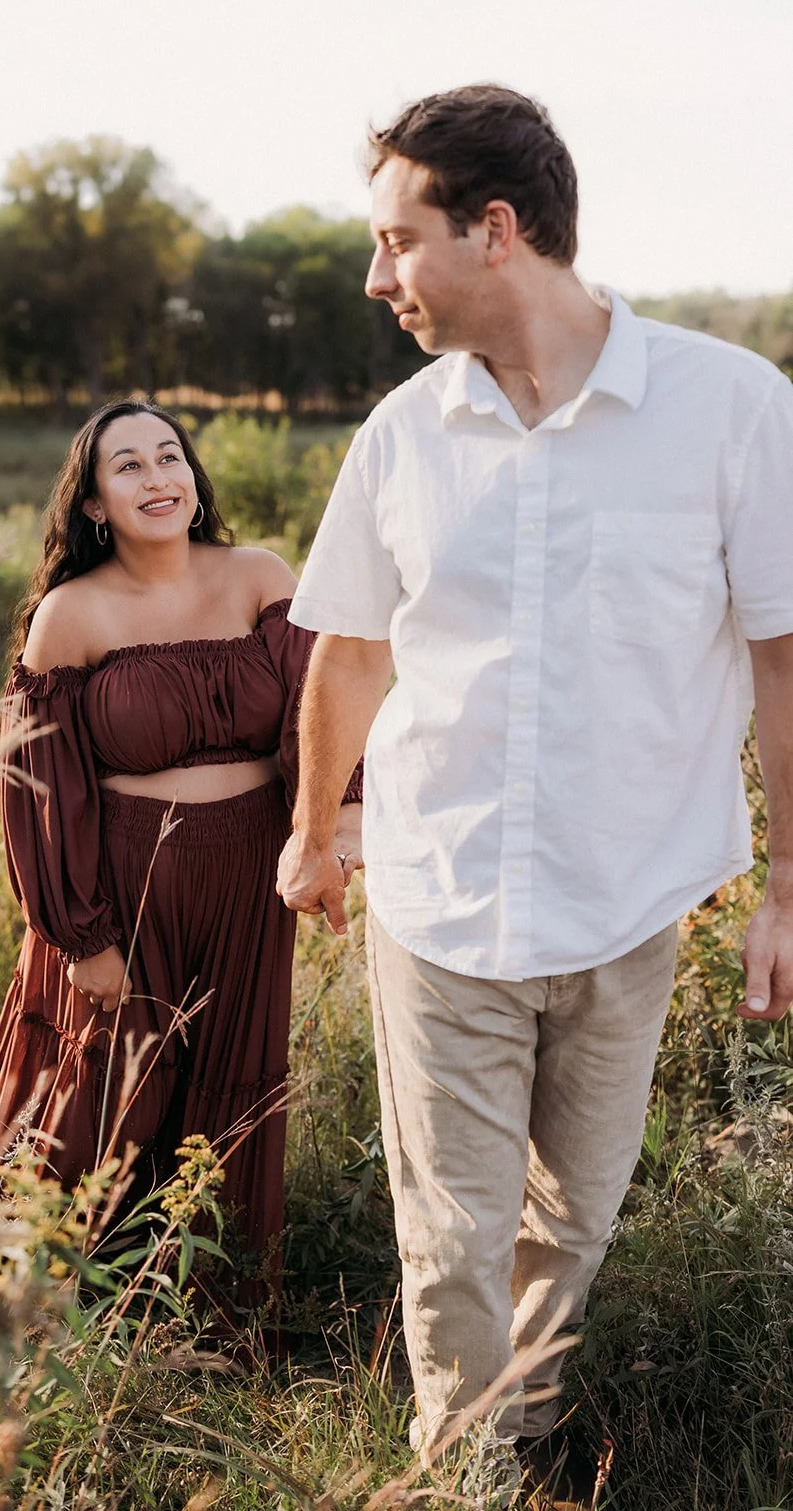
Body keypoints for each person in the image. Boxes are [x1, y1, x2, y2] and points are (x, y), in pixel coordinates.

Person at [276, 84, 793, 1496]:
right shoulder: (401, 432)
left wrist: (785, 891)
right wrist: (312, 831)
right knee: (450, 1235)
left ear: (492, 230)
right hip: (436, 900)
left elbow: (779, 662)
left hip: (627, 904)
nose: (375, 276)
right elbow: (347, 654)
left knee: (565, 1225)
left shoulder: (730, 409)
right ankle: (471, 1475)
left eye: (396, 241)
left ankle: (525, 1415)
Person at [0, 399, 363, 1303]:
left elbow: (318, 710)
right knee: (102, 1094)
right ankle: (47, 1285)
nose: (156, 478)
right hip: (125, 888)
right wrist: (80, 935)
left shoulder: (258, 575)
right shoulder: (71, 614)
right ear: (93, 502)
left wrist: (331, 831)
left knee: (229, 1081)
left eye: (168, 457)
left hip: (247, 881)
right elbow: (38, 792)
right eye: (127, 465)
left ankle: (208, 1301)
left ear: (193, 476)